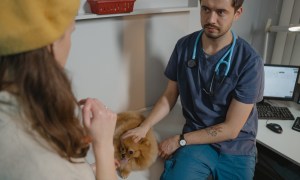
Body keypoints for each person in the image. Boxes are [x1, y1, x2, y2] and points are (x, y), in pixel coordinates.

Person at [122, 0, 264, 179]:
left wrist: (179, 140)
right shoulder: (184, 47)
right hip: (198, 143)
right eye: (206, 9)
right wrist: (144, 126)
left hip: (237, 147)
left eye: (221, 12)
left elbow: (231, 129)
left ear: (237, 13)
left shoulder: (250, 62)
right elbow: (170, 95)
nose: (210, 19)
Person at [0, 0, 117, 179]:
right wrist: (105, 146)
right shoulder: (45, 168)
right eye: (70, 32)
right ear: (51, 45)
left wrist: (88, 170)